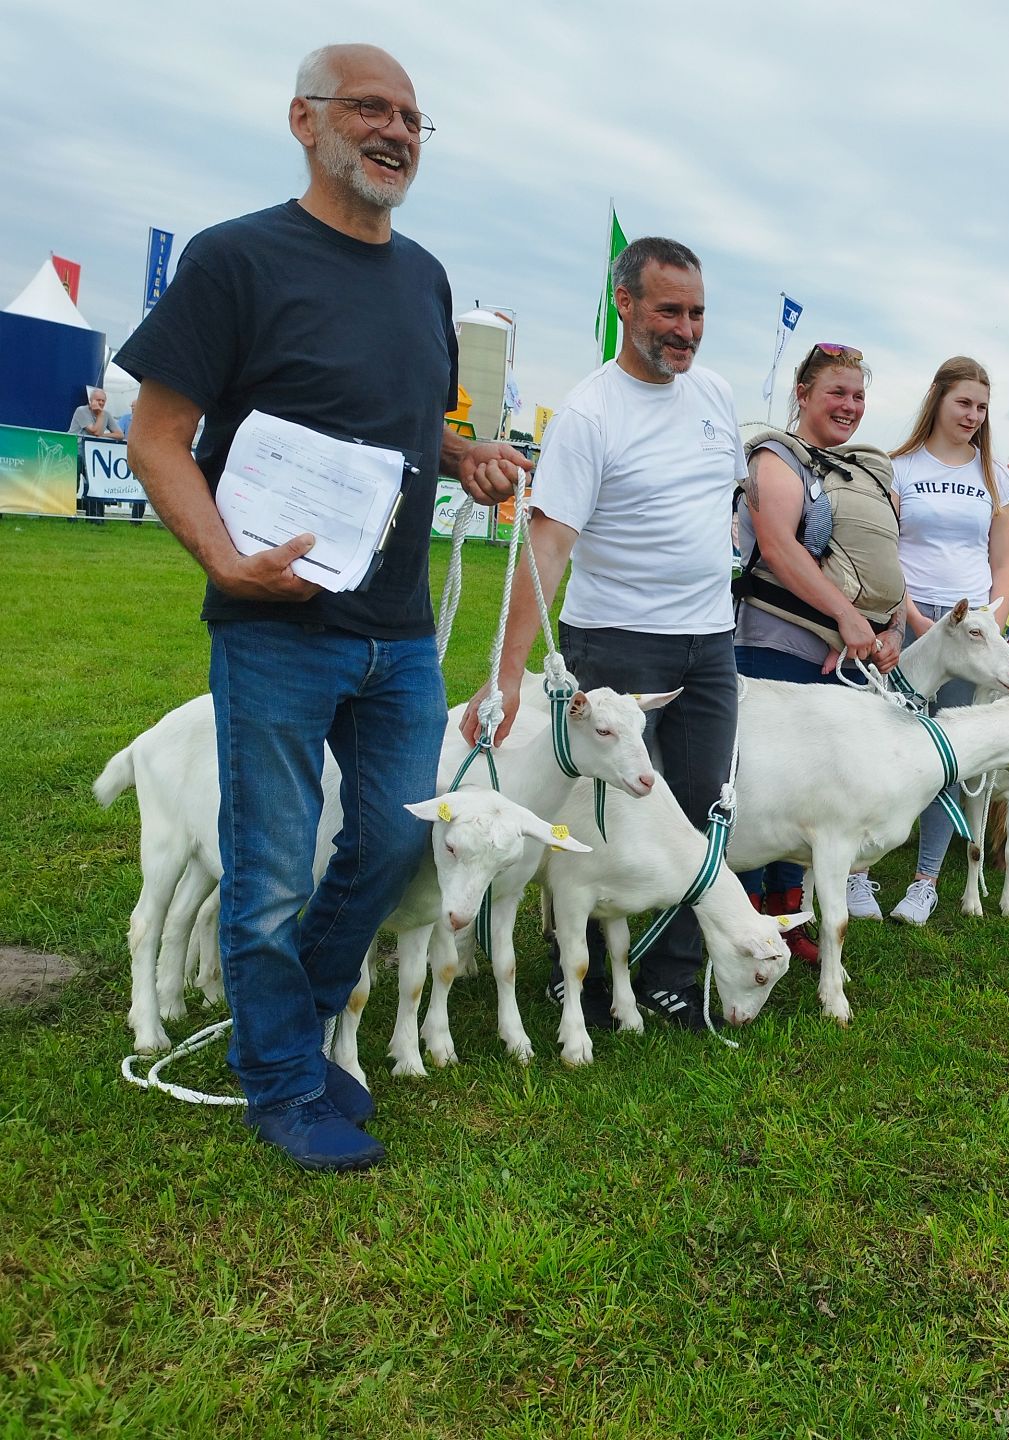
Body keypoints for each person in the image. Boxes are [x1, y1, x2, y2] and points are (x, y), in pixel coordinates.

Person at [117, 44, 528, 1171]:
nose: (395, 130)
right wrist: (225, 564)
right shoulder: (235, 258)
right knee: (268, 874)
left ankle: (293, 1027)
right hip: (274, 626)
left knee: (399, 838)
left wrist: (463, 455)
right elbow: (157, 435)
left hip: (396, 631)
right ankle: (286, 1083)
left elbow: (392, 428)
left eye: (412, 117)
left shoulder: (425, 278)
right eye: (370, 109)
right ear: (305, 121)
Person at [461, 235, 747, 1032]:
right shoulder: (590, 412)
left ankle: (671, 972)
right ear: (625, 304)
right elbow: (547, 544)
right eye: (669, 311)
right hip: (614, 643)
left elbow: (718, 506)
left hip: (708, 644)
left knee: (695, 808)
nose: (686, 329)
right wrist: (508, 672)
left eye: (697, 313)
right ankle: (572, 972)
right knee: (593, 816)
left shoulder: (716, 395)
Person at [734, 342, 905, 922]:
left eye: (858, 395)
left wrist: (894, 630)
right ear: (802, 394)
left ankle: (790, 915)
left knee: (818, 787)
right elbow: (780, 547)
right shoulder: (776, 459)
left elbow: (887, 560)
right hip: (779, 641)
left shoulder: (869, 471)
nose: (850, 406)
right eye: (836, 392)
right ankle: (746, 917)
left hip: (853, 655)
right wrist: (848, 619)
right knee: (764, 785)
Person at [885, 357, 1009, 923]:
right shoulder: (897, 467)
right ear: (938, 398)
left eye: (982, 407)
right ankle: (859, 873)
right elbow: (885, 551)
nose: (973, 415)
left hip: (971, 628)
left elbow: (1005, 561)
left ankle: (925, 880)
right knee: (888, 743)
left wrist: (992, 622)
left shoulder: (997, 477)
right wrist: (912, 619)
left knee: (950, 753)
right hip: (909, 618)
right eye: (964, 402)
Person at [69, 387, 123, 523]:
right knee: (72, 485)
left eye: (103, 401)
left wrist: (104, 435)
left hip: (92, 455)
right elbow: (94, 431)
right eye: (98, 400)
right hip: (75, 451)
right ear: (91, 400)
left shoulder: (106, 414)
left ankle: (95, 518)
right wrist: (99, 415)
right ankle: (69, 516)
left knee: (94, 486)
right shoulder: (81, 411)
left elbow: (120, 435)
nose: (101, 403)